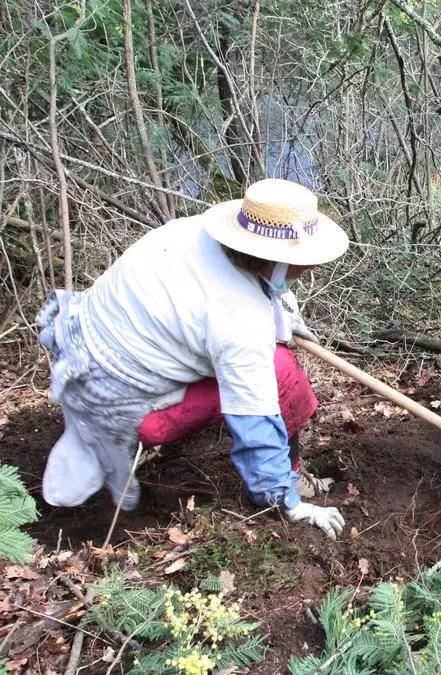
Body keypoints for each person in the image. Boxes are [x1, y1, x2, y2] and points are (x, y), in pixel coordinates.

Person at [36, 179, 349, 539]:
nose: (307, 270)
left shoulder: (191, 234)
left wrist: (282, 317)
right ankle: (288, 482)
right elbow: (255, 421)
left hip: (84, 367)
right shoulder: (239, 319)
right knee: (281, 372)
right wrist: (289, 504)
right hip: (126, 408)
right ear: (273, 258)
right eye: (300, 262)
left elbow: (214, 300)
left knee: (264, 361)